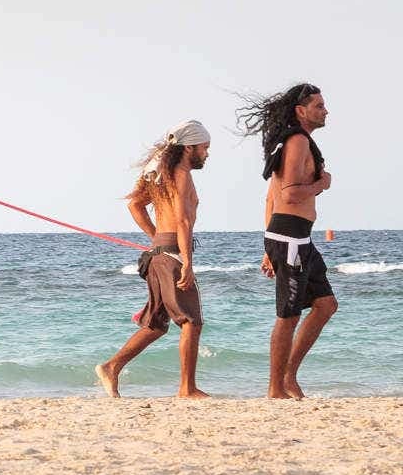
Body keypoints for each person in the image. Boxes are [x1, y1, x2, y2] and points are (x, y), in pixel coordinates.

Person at [95, 120, 211, 399]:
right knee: (191, 321)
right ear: (189, 148)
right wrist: (187, 263)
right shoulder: (180, 174)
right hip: (171, 254)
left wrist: (155, 237)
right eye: (204, 148)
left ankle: (112, 367)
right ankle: (187, 388)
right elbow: (183, 221)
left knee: (156, 324)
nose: (207, 154)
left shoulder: (160, 173)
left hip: (159, 252)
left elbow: (134, 204)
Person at [239, 83, 336, 399]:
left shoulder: (299, 142)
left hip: (295, 237)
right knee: (289, 314)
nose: (326, 111)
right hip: (290, 235)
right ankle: (275, 388)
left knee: (325, 305)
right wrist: (322, 184)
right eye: (319, 105)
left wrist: (268, 246)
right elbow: (290, 193)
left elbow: (270, 197)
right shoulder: (296, 142)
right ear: (301, 110)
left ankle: (288, 376)